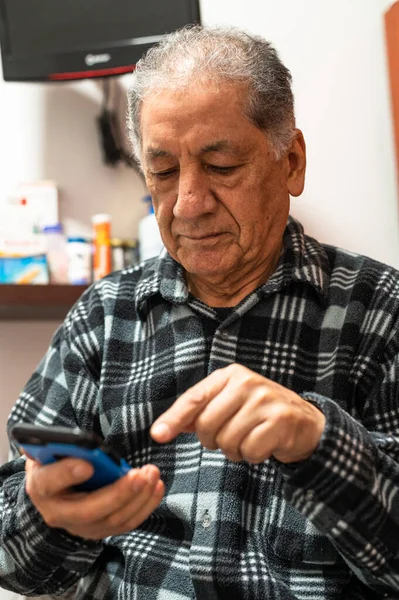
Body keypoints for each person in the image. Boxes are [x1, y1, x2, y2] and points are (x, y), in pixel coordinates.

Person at [0, 24, 398, 600]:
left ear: (291, 161)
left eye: (222, 165)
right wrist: (48, 514)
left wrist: (319, 442)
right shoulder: (105, 318)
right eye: (162, 172)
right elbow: (14, 563)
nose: (187, 203)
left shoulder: (379, 311)